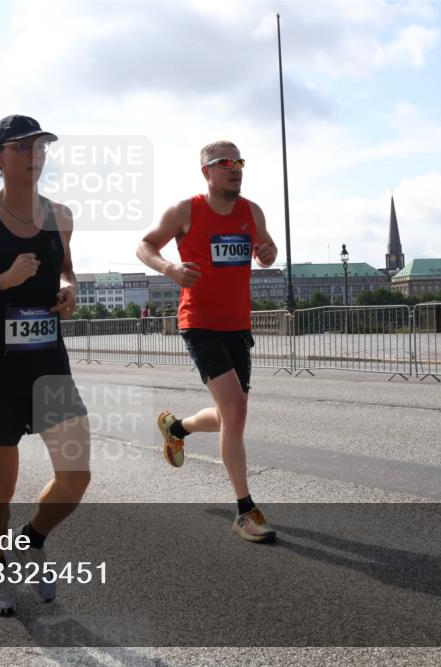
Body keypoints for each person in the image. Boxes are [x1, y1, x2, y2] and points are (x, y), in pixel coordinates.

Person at [0, 114, 90, 616]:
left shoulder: (60, 216)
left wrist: (70, 294)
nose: (34, 155)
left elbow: (66, 271)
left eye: (40, 146)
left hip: (49, 364)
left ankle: (31, 539)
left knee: (76, 475)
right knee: (1, 485)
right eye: (23, 147)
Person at [137, 140, 280, 543]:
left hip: (237, 323)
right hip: (198, 321)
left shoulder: (251, 211)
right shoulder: (186, 210)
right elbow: (144, 244)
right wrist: (170, 268)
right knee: (234, 411)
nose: (235, 168)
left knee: (230, 414)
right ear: (207, 171)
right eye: (224, 163)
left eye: (239, 162)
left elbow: (263, 249)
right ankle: (244, 510)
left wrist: (267, 253)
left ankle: (177, 428)